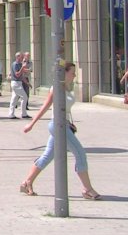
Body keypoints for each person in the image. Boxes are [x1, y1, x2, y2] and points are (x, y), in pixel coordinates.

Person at [20, 62, 100, 199]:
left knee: (48, 156)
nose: (74, 75)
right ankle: (87, 189)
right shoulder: (56, 88)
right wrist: (31, 124)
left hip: (64, 125)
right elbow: (45, 107)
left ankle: (27, 182)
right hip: (58, 125)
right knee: (80, 153)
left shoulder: (67, 87)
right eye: (72, 72)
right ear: (64, 73)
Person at [8, 52, 29, 119]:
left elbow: (22, 76)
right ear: (17, 57)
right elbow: (17, 74)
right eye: (21, 57)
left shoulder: (19, 64)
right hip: (16, 83)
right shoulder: (15, 64)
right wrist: (22, 68)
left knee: (14, 98)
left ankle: (11, 114)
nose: (23, 58)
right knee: (24, 97)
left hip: (18, 83)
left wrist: (27, 83)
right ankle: (23, 113)